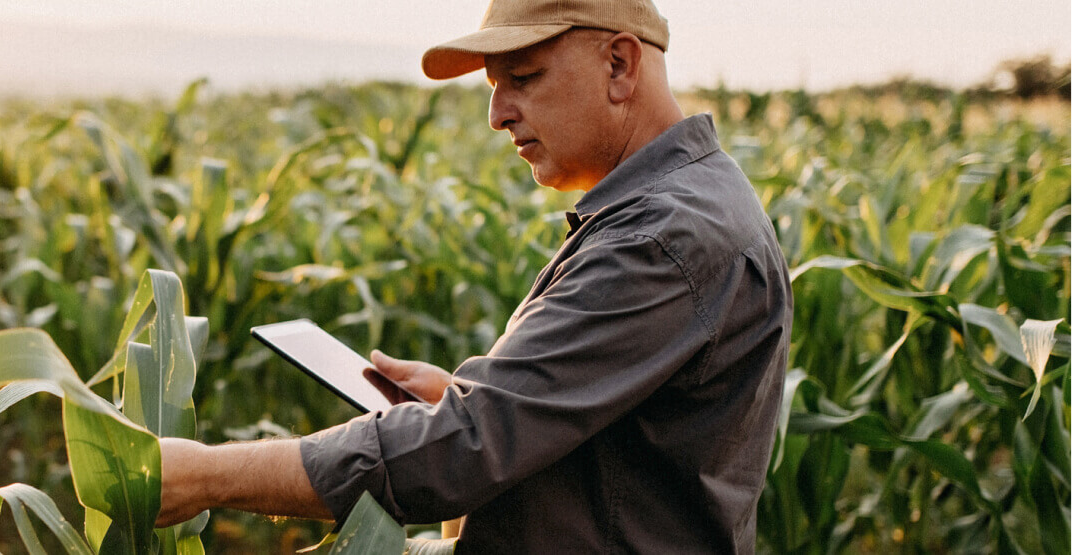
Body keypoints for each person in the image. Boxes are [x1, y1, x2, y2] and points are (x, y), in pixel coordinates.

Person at [157, 0, 793, 551]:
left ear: (620, 66)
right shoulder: (687, 201)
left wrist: (203, 476)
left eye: (522, 77)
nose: (497, 113)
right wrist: (459, 401)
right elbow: (624, 445)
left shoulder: (661, 240)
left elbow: (461, 452)